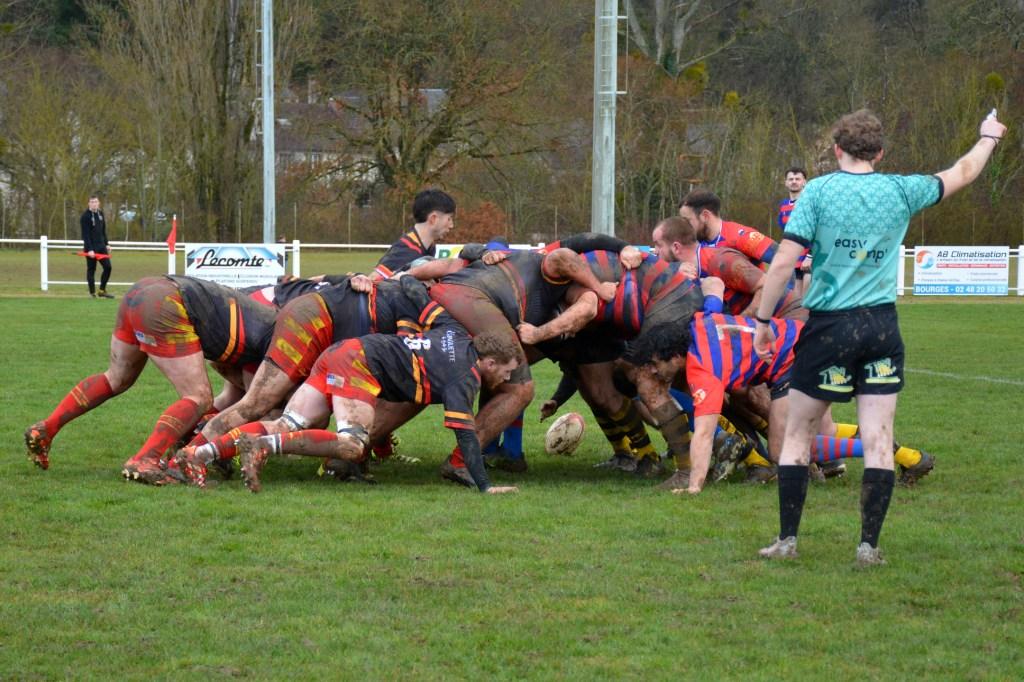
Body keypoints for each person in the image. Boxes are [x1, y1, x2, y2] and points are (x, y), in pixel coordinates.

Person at [753, 108, 1006, 566]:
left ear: (836, 150)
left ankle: (787, 542)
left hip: (830, 327)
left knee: (797, 434)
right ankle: (868, 547)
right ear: (881, 152)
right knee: (878, 437)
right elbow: (963, 172)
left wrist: (764, 321)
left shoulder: (817, 191)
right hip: (881, 326)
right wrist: (988, 137)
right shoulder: (901, 190)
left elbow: (784, 261)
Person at [24, 275, 277, 483]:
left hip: (143, 291)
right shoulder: (274, 336)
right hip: (168, 303)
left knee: (116, 378)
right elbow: (254, 399)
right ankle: (145, 459)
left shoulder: (262, 311)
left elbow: (231, 378)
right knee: (198, 397)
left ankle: (46, 428)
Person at [678, 189, 776, 267]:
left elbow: (783, 258)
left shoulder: (742, 237)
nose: (684, 227)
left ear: (705, 216)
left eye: (687, 221)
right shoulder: (691, 243)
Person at [372, 189, 456, 280]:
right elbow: (373, 280)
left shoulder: (430, 247)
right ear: (433, 218)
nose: (451, 225)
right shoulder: (404, 250)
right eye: (449, 219)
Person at [81, 195, 113, 298]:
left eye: (95, 202)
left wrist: (106, 244)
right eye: (92, 202)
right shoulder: (85, 217)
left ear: (98, 203)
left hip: (101, 247)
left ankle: (102, 291)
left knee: (108, 267)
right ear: (89, 204)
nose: (94, 204)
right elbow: (85, 235)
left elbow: (103, 231)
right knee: (91, 269)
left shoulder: (100, 214)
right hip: (91, 248)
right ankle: (92, 293)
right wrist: (90, 249)